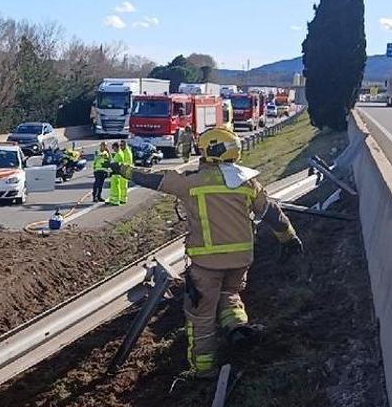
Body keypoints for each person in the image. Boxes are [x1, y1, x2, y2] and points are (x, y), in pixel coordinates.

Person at [108, 127, 303, 377]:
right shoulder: (247, 183)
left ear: (208, 151)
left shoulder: (191, 182)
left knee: (201, 316)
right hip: (241, 259)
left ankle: (203, 370)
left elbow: (151, 179)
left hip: (207, 263)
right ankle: (237, 328)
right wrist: (289, 239)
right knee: (229, 294)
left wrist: (122, 169)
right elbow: (272, 214)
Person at [108, 141, 132, 206]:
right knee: (120, 187)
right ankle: (120, 199)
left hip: (123, 171)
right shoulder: (122, 152)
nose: (121, 146)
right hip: (122, 171)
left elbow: (123, 162)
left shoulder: (124, 153)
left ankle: (119, 200)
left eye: (121, 145)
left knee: (121, 187)